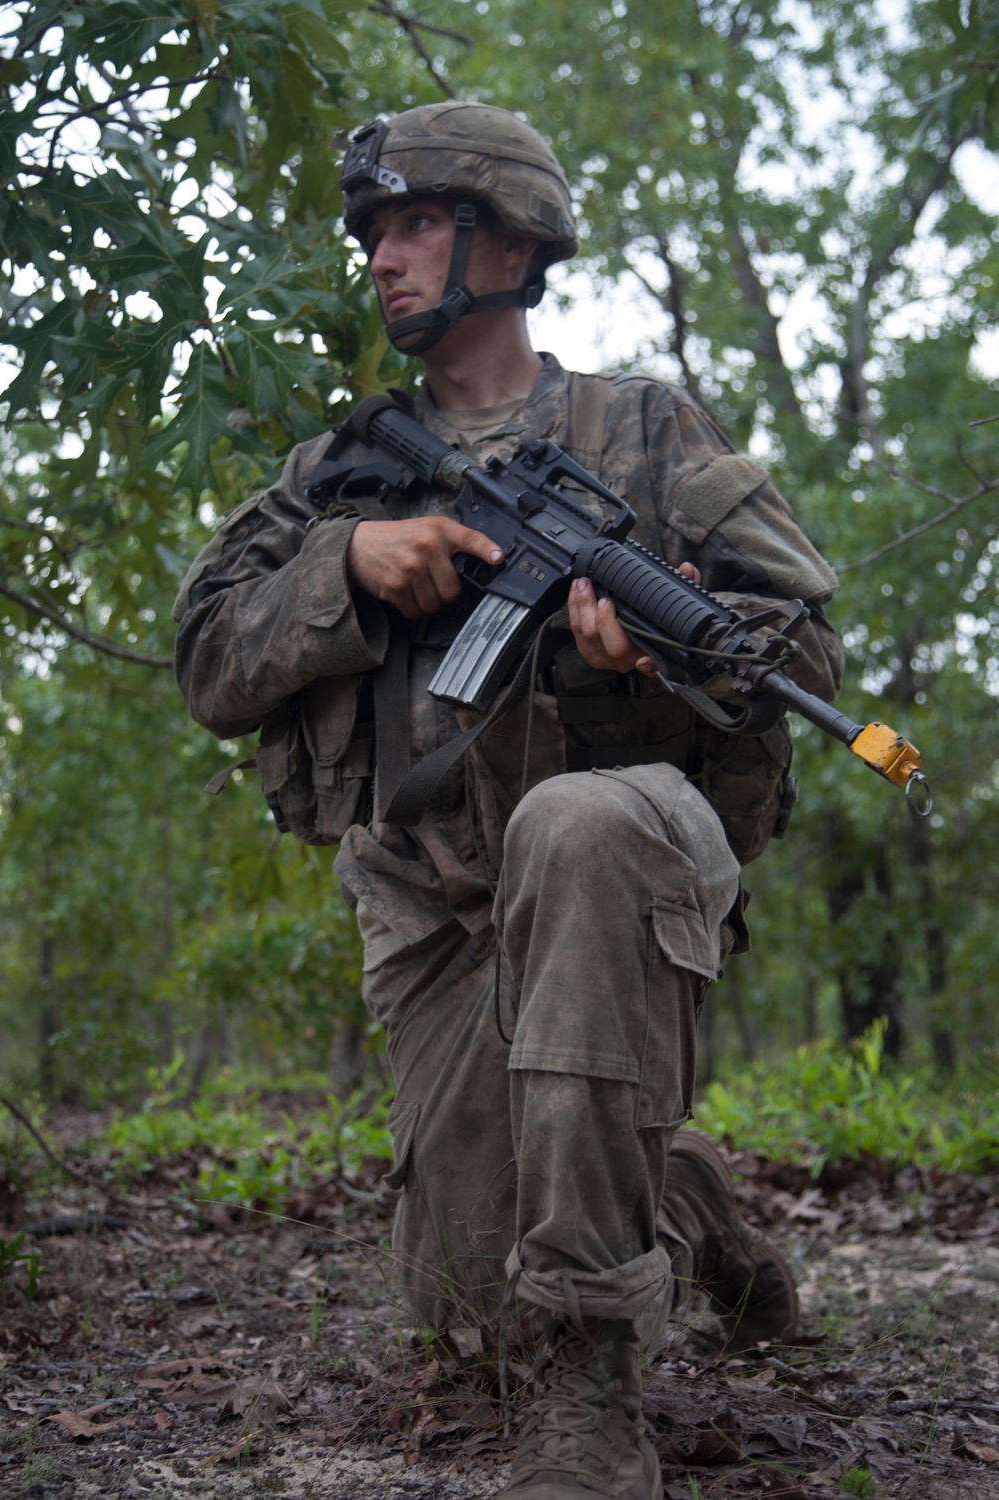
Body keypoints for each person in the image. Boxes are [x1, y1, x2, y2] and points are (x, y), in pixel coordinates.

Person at [173, 103, 843, 1500]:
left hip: (612, 880)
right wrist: (348, 564)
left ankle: (594, 1399)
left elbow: (796, 650)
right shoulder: (340, 472)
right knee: (466, 1312)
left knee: (581, 818)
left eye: (417, 223)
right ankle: (680, 1198)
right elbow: (209, 661)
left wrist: (664, 672)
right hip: (436, 909)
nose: (383, 258)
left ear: (513, 240)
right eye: (373, 232)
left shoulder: (648, 433)